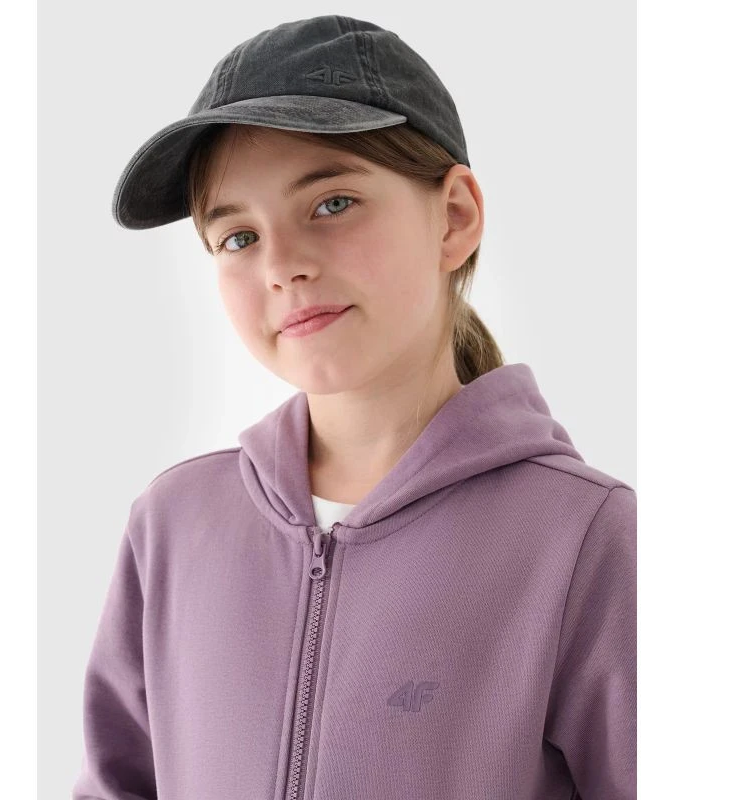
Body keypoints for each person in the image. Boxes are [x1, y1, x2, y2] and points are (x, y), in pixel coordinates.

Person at [72, 14, 636, 800]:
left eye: (332, 203)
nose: (283, 265)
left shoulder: (582, 538)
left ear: (455, 216)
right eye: (238, 238)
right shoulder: (173, 524)